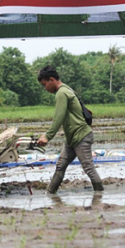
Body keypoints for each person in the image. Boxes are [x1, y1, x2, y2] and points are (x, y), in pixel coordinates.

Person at [36, 65, 103, 193]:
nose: (45, 88)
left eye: (44, 85)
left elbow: (58, 117)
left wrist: (47, 136)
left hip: (81, 136)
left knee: (88, 168)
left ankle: (100, 195)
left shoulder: (61, 93)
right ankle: (50, 193)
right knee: (60, 166)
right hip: (71, 139)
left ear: (51, 80)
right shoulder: (66, 89)